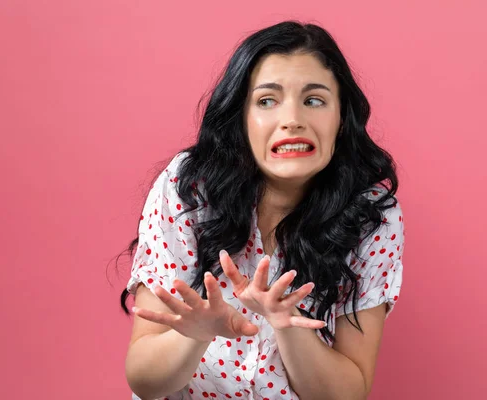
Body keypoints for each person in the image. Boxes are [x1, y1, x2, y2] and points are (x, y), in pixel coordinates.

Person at [119, 20, 405, 400]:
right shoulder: (188, 188)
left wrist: (287, 326)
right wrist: (198, 336)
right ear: (241, 117)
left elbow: (347, 393)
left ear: (341, 118)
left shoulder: (372, 215)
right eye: (267, 100)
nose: (292, 120)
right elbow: (143, 379)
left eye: (314, 100)